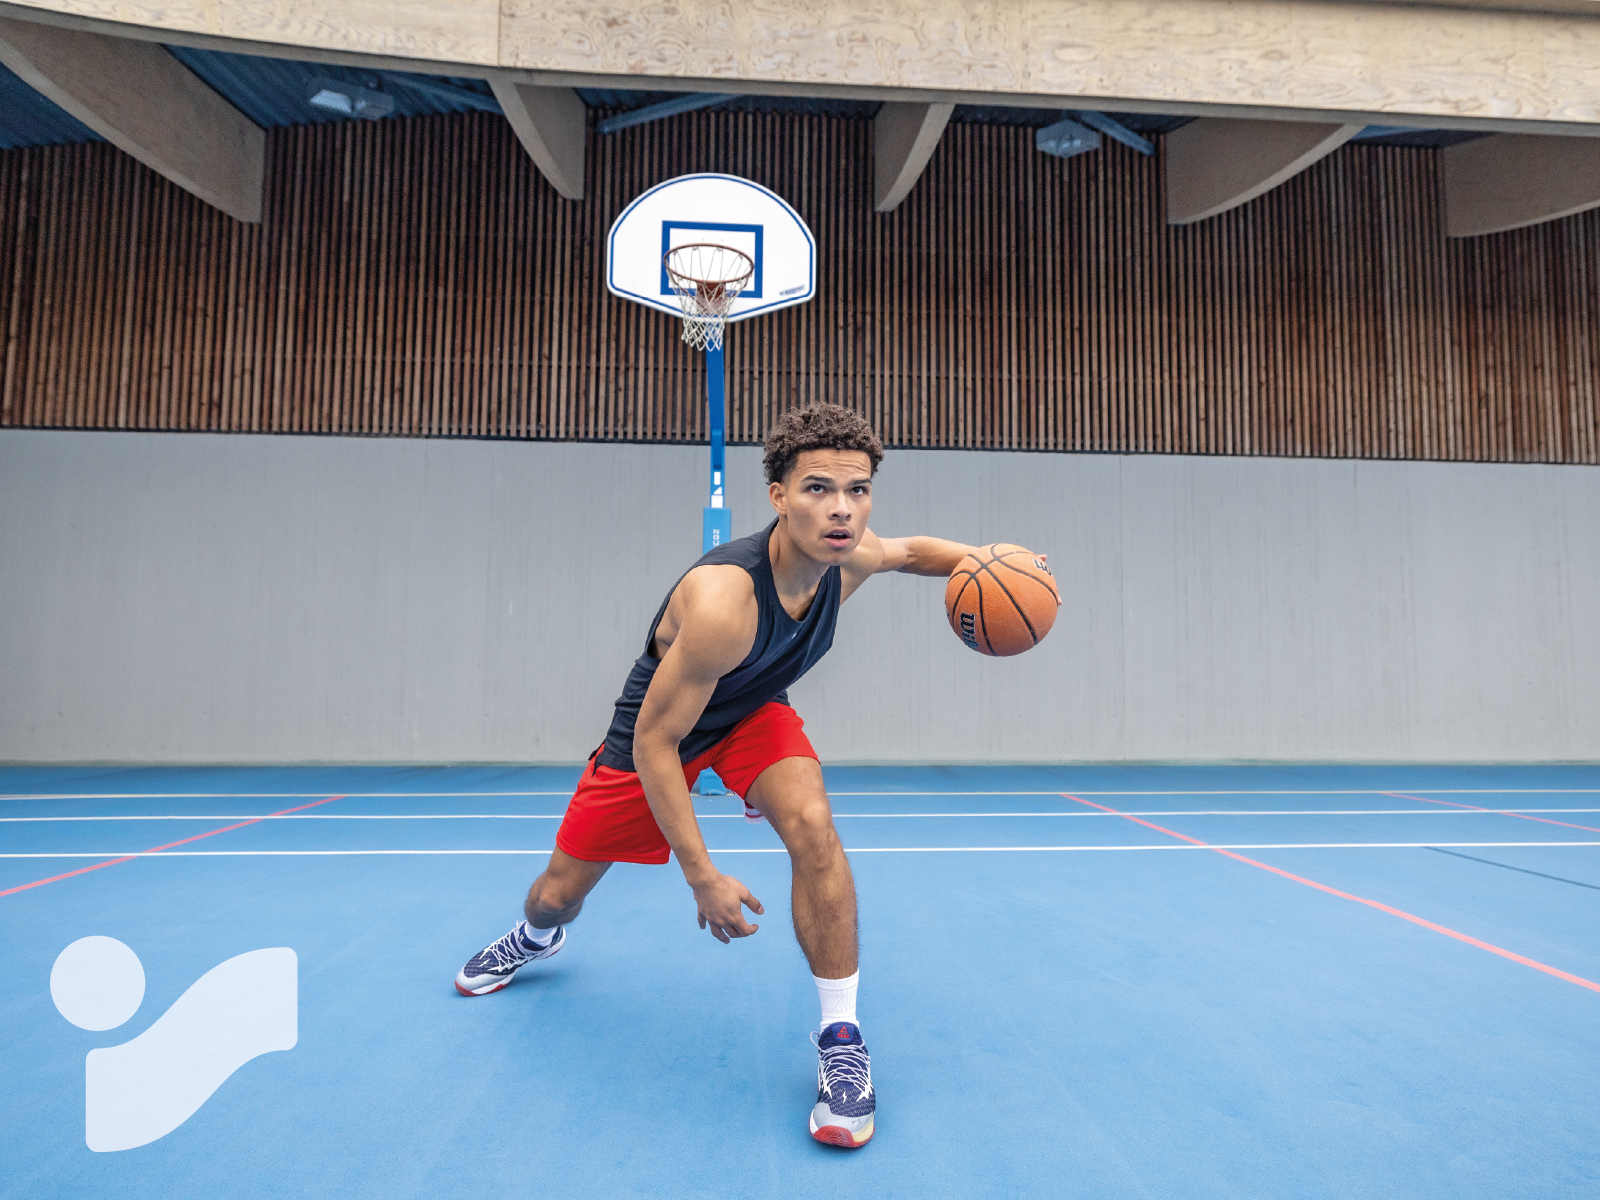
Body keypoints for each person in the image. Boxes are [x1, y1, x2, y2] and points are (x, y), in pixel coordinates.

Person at [454, 403, 982, 1149]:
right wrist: (702, 876)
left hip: (752, 711)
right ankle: (536, 938)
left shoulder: (850, 557)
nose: (842, 508)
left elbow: (912, 552)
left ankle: (842, 1037)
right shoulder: (723, 604)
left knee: (814, 828)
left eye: (858, 490)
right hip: (659, 733)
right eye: (818, 488)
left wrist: (991, 561)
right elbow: (656, 742)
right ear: (779, 496)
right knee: (558, 894)